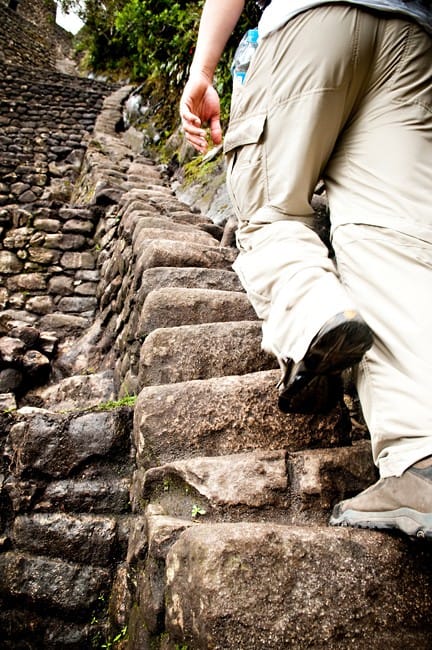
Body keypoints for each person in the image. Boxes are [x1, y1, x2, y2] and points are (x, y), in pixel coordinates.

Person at [180, 0, 432, 539]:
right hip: (413, 37)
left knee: (270, 213)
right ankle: (421, 461)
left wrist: (203, 70)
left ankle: (317, 315)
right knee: (394, 248)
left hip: (312, 21)